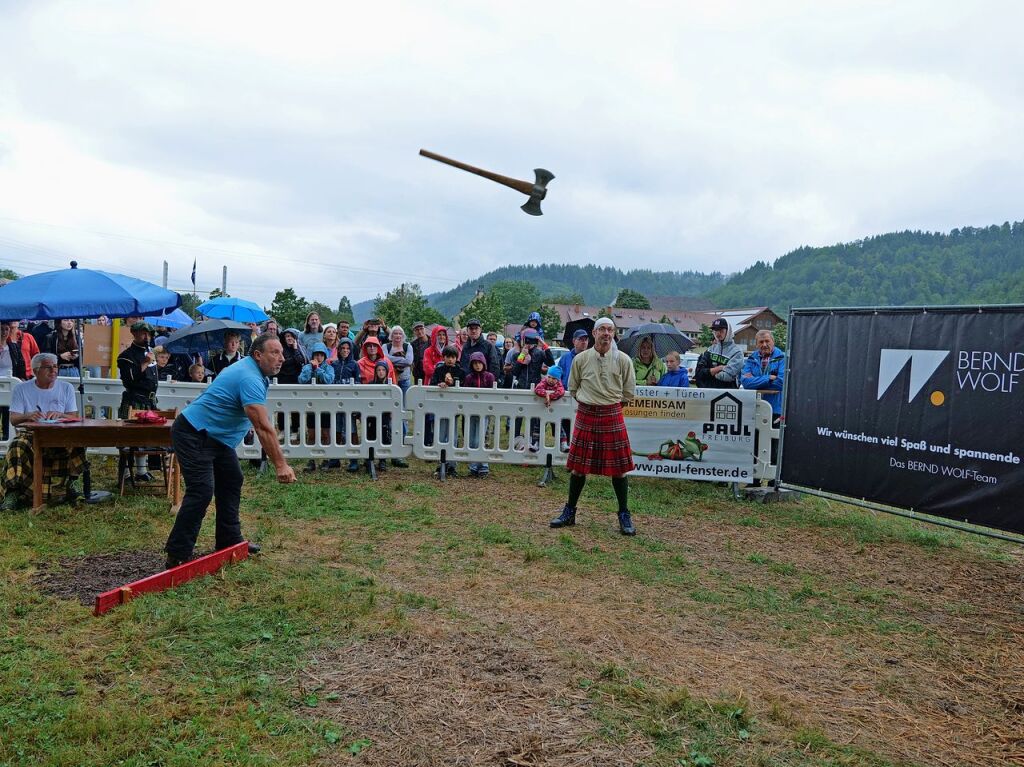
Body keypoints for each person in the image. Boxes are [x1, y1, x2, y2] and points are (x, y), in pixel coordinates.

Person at [164, 334, 297, 569]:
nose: (281, 359)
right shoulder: (249, 377)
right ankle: (178, 554)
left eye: (282, 354)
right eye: (274, 353)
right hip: (194, 433)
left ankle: (228, 541)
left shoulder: (251, 370)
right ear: (257, 355)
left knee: (232, 480)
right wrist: (281, 465)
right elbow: (262, 427)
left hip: (216, 438)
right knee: (202, 491)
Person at [550, 317, 637, 536]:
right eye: (602, 330)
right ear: (594, 333)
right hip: (587, 413)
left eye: (610, 330)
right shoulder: (581, 359)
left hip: (612, 414)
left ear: (614, 334)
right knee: (579, 468)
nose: (606, 333)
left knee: (619, 470)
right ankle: (569, 512)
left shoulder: (624, 360)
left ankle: (624, 514)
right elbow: (573, 388)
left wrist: (609, 406)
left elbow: (628, 393)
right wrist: (591, 403)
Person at [0, 353, 84, 509]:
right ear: (36, 371)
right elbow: (13, 419)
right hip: (31, 434)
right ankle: (13, 491)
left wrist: (61, 415)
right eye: (48, 367)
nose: (53, 370)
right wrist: (28, 415)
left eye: (55, 366)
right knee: (17, 445)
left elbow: (74, 417)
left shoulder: (66, 388)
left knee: (77, 440)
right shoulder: (21, 389)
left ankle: (73, 483)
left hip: (59, 434)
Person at [740, 329, 786, 481]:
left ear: (773, 341)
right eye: (761, 342)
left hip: (776, 408)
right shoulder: (751, 359)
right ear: (756, 344)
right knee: (755, 444)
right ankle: (754, 480)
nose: (764, 344)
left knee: (773, 445)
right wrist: (768, 378)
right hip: (756, 408)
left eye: (767, 341)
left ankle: (774, 481)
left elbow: (780, 383)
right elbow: (746, 383)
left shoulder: (782, 358)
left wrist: (758, 380)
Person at [298, 342, 335, 473]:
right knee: (312, 433)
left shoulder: (329, 368)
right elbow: (301, 380)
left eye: (321, 355)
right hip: (311, 405)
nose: (318, 357)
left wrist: (318, 370)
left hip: (326, 405)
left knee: (326, 433)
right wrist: (311, 369)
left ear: (325, 356)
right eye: (316, 354)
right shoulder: (306, 367)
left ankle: (326, 459)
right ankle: (311, 459)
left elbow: (329, 380)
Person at [429, 345, 465, 477]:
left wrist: (452, 382)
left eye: (453, 357)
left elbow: (462, 384)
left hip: (454, 409)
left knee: (453, 436)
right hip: (440, 408)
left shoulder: (460, 371)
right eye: (448, 357)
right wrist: (439, 385)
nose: (450, 359)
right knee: (441, 435)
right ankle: (441, 462)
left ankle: (452, 464)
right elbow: (432, 384)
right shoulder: (439, 370)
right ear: (443, 357)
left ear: (456, 358)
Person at [331, 338, 362, 472]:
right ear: (338, 350)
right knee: (337, 428)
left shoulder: (354, 365)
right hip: (336, 402)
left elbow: (358, 383)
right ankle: (335, 457)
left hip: (350, 403)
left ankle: (353, 458)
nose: (345, 351)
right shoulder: (334, 364)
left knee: (351, 429)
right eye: (342, 348)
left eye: (347, 349)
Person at [463, 351, 495, 477]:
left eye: (479, 363)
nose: (477, 365)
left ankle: (484, 465)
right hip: (471, 412)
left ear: (484, 363)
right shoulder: (469, 378)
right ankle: (473, 465)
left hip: (485, 412)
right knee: (472, 438)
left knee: (482, 438)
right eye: (475, 363)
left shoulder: (489, 377)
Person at [694, 318, 743, 389]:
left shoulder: (737, 352)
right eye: (715, 330)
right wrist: (719, 368)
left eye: (721, 330)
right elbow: (699, 374)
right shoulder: (710, 349)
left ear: (728, 331)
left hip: (728, 394)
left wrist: (709, 372)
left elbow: (728, 376)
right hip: (709, 392)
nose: (718, 333)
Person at [0, 322, 28, 440]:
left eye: (7, 329)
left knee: (8, 411)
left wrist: (22, 378)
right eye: (1, 329)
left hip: (11, 382)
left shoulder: (14, 346)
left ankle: (7, 437)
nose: (4, 332)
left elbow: (21, 363)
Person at [533, 365, 566, 452]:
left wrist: (550, 396)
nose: (551, 380)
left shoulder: (559, 384)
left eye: (554, 378)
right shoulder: (544, 381)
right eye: (549, 377)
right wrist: (546, 394)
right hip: (542, 410)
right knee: (538, 427)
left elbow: (561, 392)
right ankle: (536, 443)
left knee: (559, 427)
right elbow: (537, 389)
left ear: (558, 379)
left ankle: (563, 444)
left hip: (555, 412)